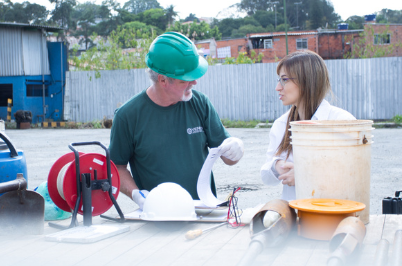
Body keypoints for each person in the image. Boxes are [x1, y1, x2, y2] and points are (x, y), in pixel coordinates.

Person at [109, 32, 244, 208]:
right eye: (186, 79)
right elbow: (115, 167)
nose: (194, 82)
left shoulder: (200, 103)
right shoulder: (128, 116)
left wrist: (235, 147)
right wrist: (137, 195)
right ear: (163, 80)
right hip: (159, 214)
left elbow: (228, 158)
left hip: (204, 211)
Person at [260, 50, 355, 200]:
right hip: (293, 218)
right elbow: (266, 177)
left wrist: (305, 175)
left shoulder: (342, 122)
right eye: (279, 80)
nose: (278, 87)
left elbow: (353, 174)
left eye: (284, 80)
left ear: (306, 82)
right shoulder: (281, 124)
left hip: (332, 216)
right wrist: (276, 166)